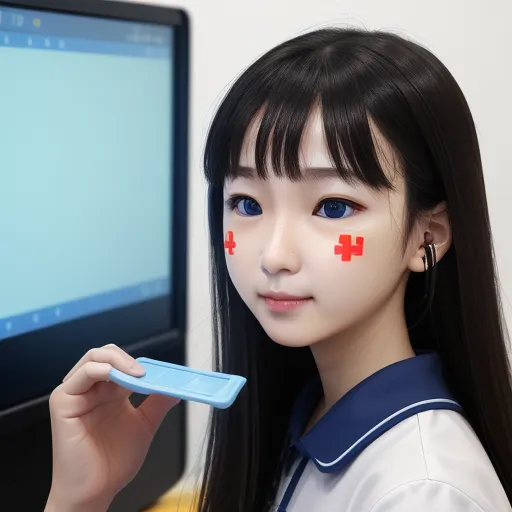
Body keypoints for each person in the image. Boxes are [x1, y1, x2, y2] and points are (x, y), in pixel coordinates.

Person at [44, 28, 512, 512]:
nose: (273, 255)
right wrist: (82, 498)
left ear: (427, 234)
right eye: (246, 203)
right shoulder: (306, 413)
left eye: (333, 207)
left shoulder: (422, 493)